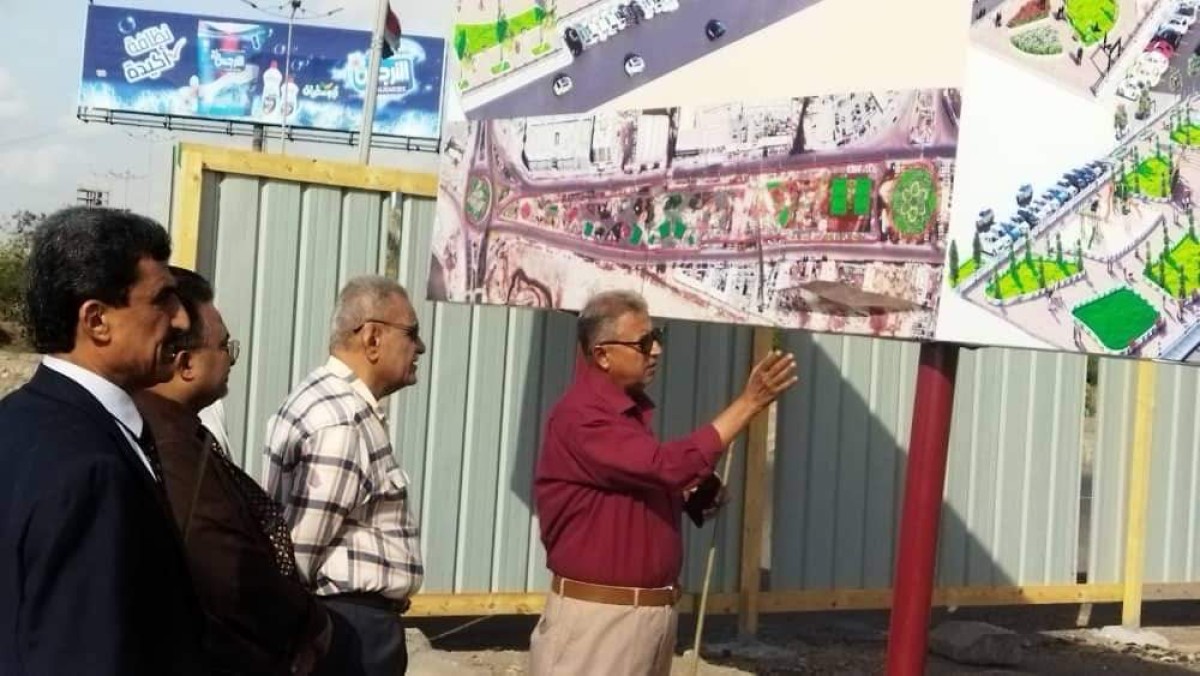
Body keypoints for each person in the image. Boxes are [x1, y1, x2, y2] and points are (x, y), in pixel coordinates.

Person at [530, 290, 798, 676]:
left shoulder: (625, 417)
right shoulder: (582, 416)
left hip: (646, 617)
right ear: (602, 354)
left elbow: (642, 479)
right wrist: (748, 403)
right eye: (643, 342)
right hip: (600, 622)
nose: (655, 350)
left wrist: (689, 493)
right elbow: (664, 466)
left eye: (658, 337)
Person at [0, 206, 207, 675]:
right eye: (162, 300)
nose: (179, 321)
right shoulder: (91, 469)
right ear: (96, 320)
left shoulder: (19, 419)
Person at [133, 267, 334, 676]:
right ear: (186, 363)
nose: (231, 358)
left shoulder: (181, 431)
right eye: (225, 346)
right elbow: (228, 571)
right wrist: (312, 622)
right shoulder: (170, 445)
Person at [263, 275, 426, 676]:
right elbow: (299, 552)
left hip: (346, 624)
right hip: (350, 629)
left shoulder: (321, 399)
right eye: (411, 333)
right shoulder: (342, 420)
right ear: (372, 338)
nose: (420, 347)